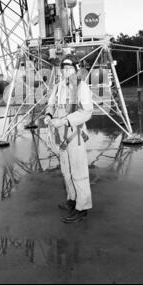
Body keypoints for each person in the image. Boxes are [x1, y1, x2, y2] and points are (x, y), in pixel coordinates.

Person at [44, 54, 93, 223]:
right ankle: (72, 200)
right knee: (66, 171)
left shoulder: (81, 87)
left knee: (79, 173)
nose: (66, 71)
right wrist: (48, 116)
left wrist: (64, 121)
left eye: (69, 68)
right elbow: (50, 104)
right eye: (63, 68)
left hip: (75, 135)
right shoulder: (58, 87)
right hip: (61, 136)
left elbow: (87, 112)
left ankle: (82, 208)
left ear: (76, 69)